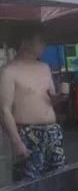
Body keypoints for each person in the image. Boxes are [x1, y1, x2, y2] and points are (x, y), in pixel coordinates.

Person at [0, 25, 66, 180]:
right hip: (28, 134)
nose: (44, 44)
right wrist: (17, 142)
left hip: (52, 132)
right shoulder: (9, 71)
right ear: (24, 43)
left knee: (58, 182)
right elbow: (4, 110)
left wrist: (58, 98)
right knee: (29, 186)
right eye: (40, 41)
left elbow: (49, 98)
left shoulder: (44, 67)